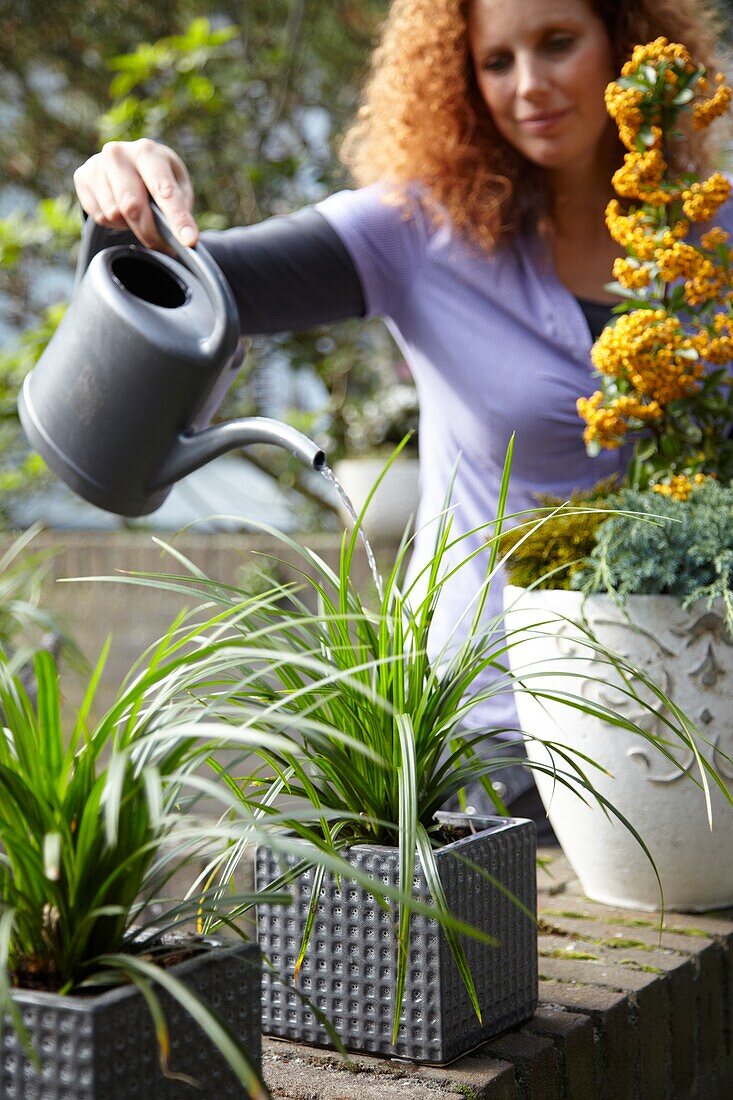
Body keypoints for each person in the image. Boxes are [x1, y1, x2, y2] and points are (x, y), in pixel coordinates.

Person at [72, 0, 730, 840]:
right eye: (497, 61)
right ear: (461, 76)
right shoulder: (417, 232)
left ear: (625, 39)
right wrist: (125, 201)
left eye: (558, 43)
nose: (529, 85)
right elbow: (192, 281)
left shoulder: (713, 233)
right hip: (499, 738)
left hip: (700, 723)